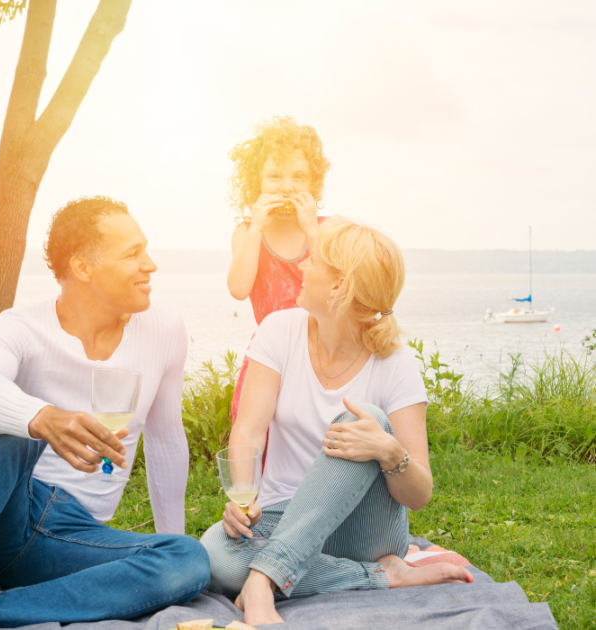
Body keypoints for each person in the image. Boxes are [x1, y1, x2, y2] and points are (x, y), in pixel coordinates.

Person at [0, 196, 210, 630]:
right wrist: (42, 418)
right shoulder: (18, 327)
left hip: (73, 536)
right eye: (132, 254)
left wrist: (172, 538)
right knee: (13, 429)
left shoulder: (163, 329)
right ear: (83, 267)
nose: (149, 265)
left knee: (187, 559)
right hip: (12, 511)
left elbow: (167, 439)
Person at [201, 217, 474, 626]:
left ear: (338, 286)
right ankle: (384, 575)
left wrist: (390, 451)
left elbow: (419, 495)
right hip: (280, 515)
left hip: (364, 530)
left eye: (313, 261)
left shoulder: (396, 365)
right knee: (216, 554)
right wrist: (245, 500)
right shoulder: (278, 331)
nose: (302, 267)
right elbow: (249, 431)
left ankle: (262, 580)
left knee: (367, 421)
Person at [226, 117, 331, 425]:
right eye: (274, 176)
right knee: (259, 431)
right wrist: (257, 228)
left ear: (313, 183)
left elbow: (338, 288)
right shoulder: (247, 232)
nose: (287, 187)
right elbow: (238, 289)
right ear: (255, 182)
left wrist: (312, 231)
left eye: (299, 177)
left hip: (321, 354)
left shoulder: (327, 230)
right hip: (270, 355)